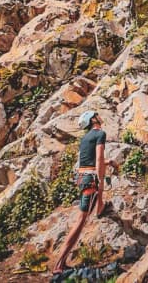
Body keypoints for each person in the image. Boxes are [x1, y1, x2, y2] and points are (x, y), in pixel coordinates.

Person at [50, 110, 108, 275]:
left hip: (82, 178)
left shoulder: (86, 137)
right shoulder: (100, 134)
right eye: (96, 114)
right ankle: (58, 264)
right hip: (90, 179)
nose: (99, 116)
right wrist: (101, 182)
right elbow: (97, 159)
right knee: (80, 222)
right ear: (93, 119)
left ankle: (100, 207)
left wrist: (108, 162)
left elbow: (90, 159)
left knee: (82, 217)